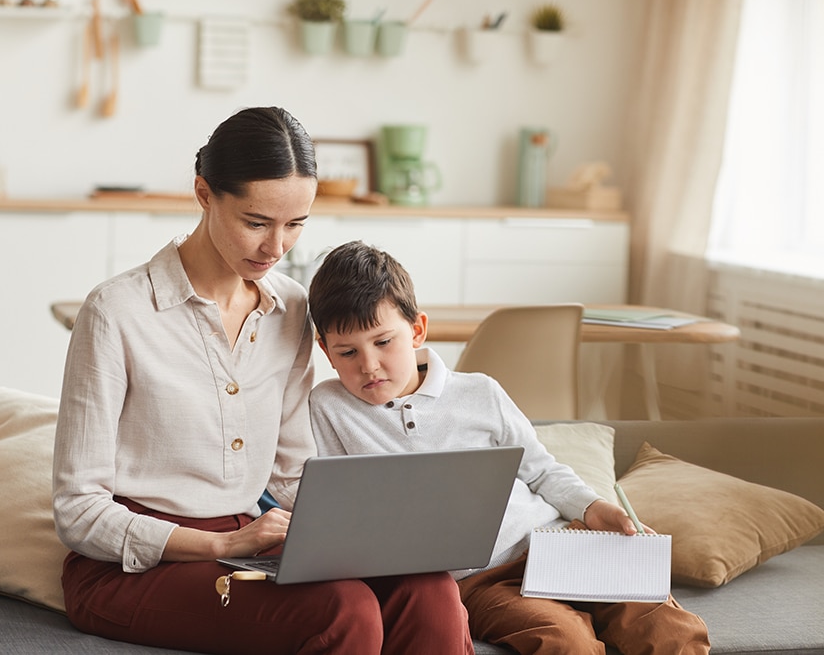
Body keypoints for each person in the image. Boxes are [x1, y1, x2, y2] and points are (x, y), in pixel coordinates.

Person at [52, 108, 474, 655]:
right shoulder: (117, 311)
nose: (276, 248)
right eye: (256, 222)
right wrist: (221, 543)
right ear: (205, 194)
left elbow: (292, 473)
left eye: (296, 225)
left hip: (252, 540)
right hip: (128, 568)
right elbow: (77, 509)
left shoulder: (292, 309)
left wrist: (370, 535)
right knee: (343, 611)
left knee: (429, 589)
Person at [307, 240, 711, 655]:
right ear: (327, 352)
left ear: (416, 331)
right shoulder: (328, 407)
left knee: (667, 627)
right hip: (477, 580)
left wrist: (592, 507)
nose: (368, 365)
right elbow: (336, 514)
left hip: (557, 542)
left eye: (383, 342)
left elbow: (541, 471)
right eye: (348, 352)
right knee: (565, 641)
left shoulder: (480, 392)